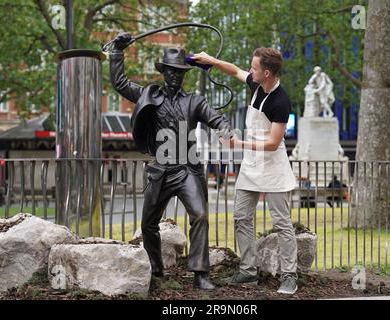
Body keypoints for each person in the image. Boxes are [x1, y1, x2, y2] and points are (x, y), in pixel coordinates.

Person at [109, 32, 232, 290]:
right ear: (164, 72)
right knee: (148, 224)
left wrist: (225, 129)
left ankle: (200, 273)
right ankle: (155, 270)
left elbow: (215, 117)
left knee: (200, 216)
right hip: (160, 170)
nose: (176, 76)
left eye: (180, 72)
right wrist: (118, 52)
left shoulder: (195, 102)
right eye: (171, 72)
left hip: (186, 170)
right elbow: (120, 83)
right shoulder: (148, 96)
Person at [192, 47, 299, 294]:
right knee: (241, 216)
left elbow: (273, 143)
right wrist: (211, 61)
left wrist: (238, 144)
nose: (250, 71)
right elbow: (234, 70)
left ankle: (289, 276)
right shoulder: (256, 84)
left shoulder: (281, 101)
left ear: (268, 73)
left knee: (282, 223)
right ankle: (248, 271)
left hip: (273, 166)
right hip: (251, 165)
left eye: (255, 68)